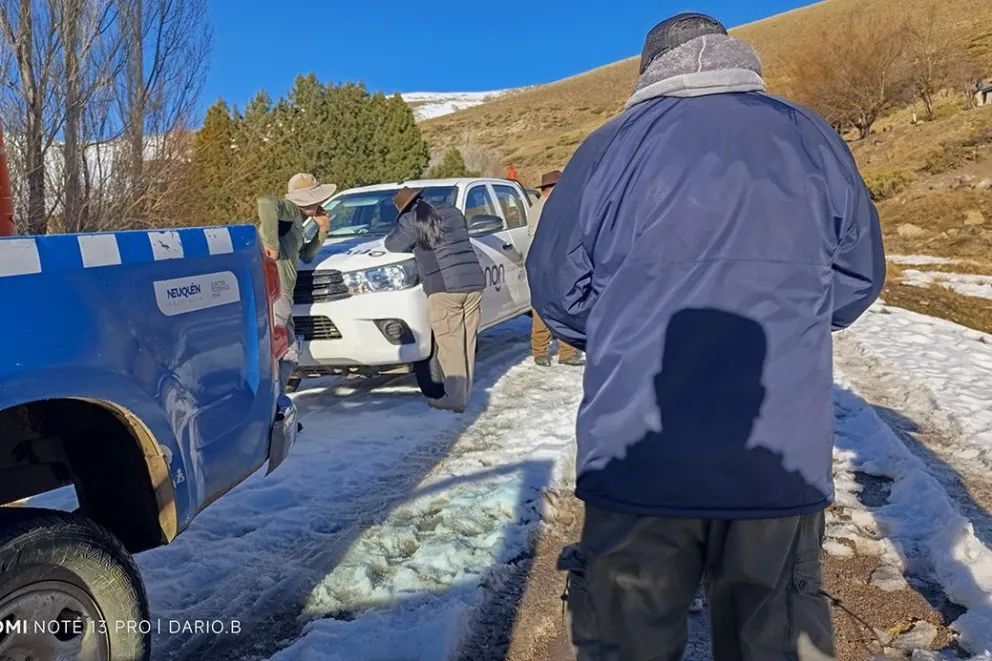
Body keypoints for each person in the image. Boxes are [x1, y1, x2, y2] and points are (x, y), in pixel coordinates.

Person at [527, 12, 885, 660]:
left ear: (647, 71)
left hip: (639, 455)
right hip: (776, 458)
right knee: (768, 640)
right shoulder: (811, 139)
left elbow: (555, 290)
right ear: (732, 54)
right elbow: (858, 278)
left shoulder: (608, 148)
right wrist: (791, 318)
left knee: (628, 641)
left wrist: (620, 335)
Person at [385, 187, 485, 413]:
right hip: (473, 283)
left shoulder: (411, 220)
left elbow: (392, 245)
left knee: (450, 345)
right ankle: (463, 392)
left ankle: (454, 399)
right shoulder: (453, 212)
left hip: (444, 287)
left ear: (403, 209)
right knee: (467, 342)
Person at [257, 173, 336, 390]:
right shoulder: (291, 211)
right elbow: (265, 203)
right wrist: (271, 245)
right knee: (281, 348)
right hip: (277, 291)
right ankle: (272, 401)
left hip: (284, 293)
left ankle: (276, 399)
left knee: (289, 350)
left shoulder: (297, 221)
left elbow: (306, 255)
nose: (320, 203)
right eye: (316, 198)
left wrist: (323, 229)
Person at [528, 170, 584, 368]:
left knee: (552, 308)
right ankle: (545, 351)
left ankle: (561, 352)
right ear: (551, 189)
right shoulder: (544, 210)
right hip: (547, 266)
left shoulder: (544, 208)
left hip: (548, 266)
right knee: (548, 309)